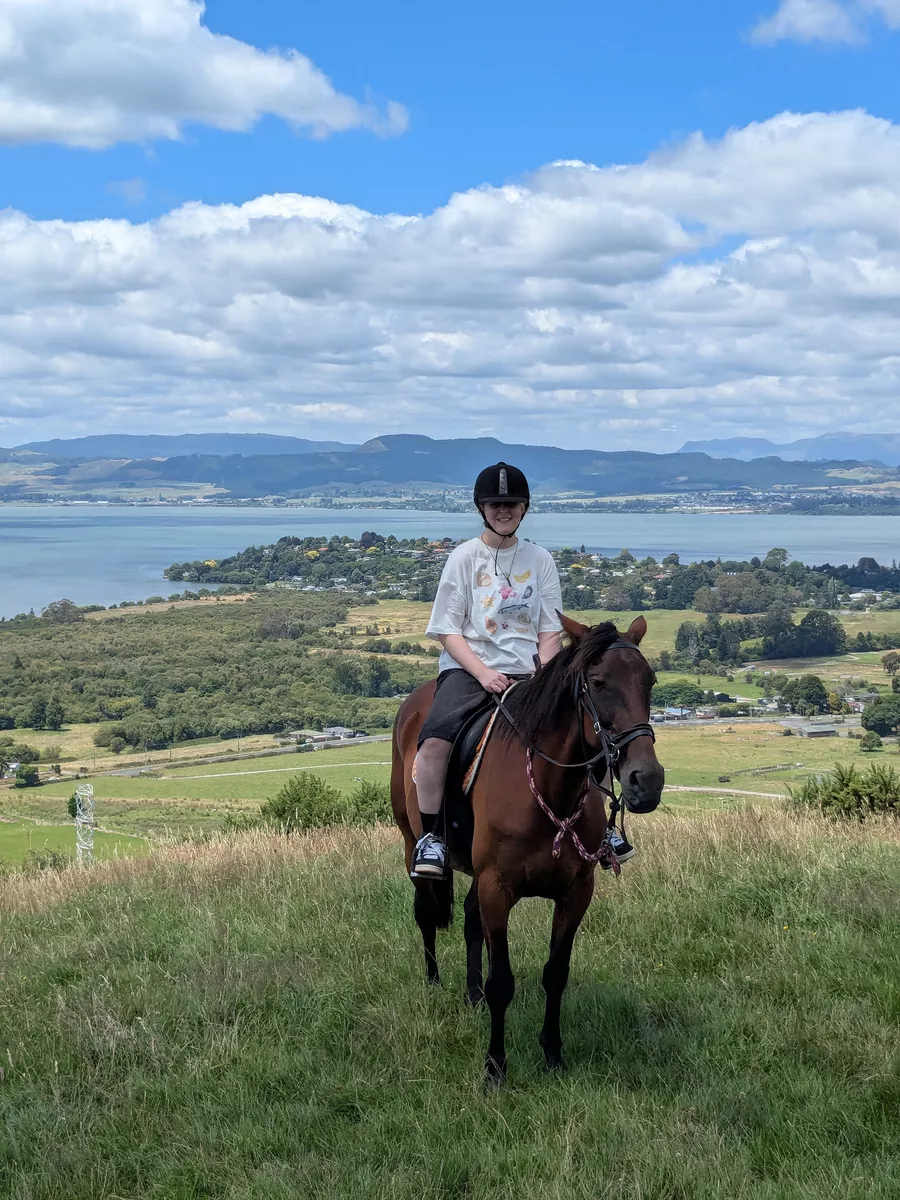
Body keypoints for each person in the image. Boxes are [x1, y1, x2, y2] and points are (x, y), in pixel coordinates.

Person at [410, 461, 634, 878]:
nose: (504, 510)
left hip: (531, 671)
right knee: (434, 745)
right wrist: (482, 674)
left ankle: (602, 829)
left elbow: (550, 629)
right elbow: (447, 631)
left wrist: (550, 678)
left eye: (511, 503)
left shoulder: (540, 559)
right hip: (469, 669)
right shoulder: (464, 558)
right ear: (482, 508)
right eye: (495, 504)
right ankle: (432, 837)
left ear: (525, 507)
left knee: (590, 732)